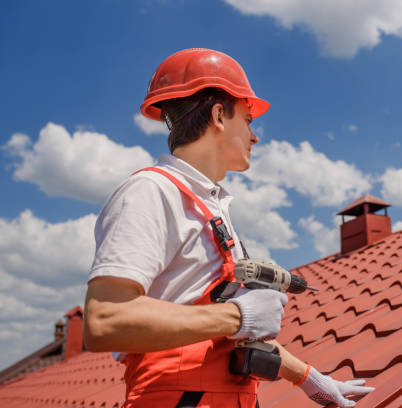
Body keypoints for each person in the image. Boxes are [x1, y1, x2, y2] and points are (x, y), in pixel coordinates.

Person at [83, 48, 373, 408]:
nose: (255, 137)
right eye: (249, 120)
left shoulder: (210, 208)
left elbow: (222, 336)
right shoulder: (150, 191)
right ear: (219, 115)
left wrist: (310, 379)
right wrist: (237, 314)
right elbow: (104, 320)